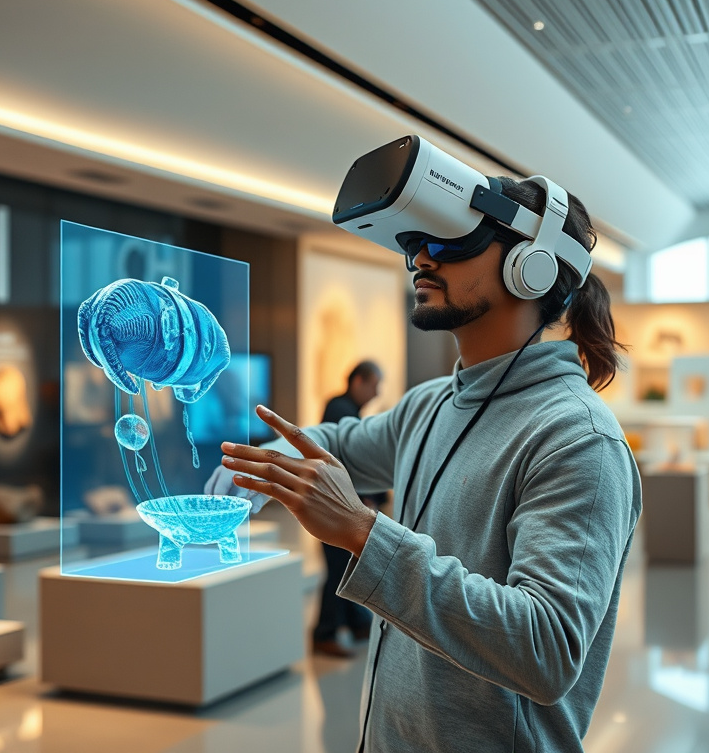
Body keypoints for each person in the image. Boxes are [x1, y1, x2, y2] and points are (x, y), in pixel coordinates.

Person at [214, 176, 641, 752]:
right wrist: (263, 463)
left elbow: (546, 649)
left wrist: (364, 533)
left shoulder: (577, 440)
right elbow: (340, 442)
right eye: (416, 243)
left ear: (531, 266)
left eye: (449, 242)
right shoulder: (430, 403)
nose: (419, 259)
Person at [314, 360, 388, 658]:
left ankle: (357, 623)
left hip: (341, 505)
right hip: (334, 506)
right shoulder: (340, 412)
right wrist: (364, 497)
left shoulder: (345, 411)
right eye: (374, 385)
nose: (377, 392)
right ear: (359, 381)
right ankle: (325, 633)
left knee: (348, 565)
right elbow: (344, 462)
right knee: (338, 568)